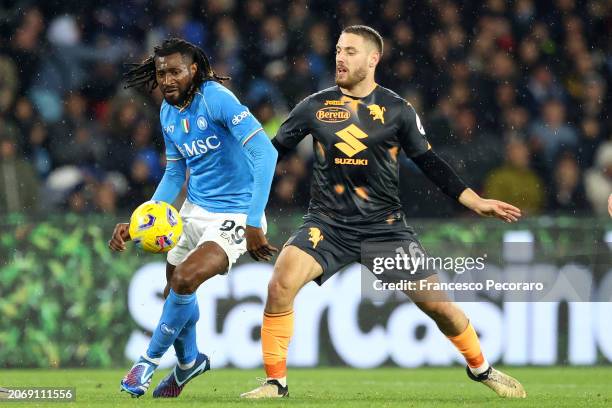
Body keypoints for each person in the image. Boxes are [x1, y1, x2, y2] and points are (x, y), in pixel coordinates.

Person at [241, 26, 526, 399]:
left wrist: (473, 200)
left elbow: (428, 161)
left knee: (441, 309)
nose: (340, 58)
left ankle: (480, 368)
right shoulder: (314, 106)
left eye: (351, 52)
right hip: (327, 225)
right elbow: (270, 152)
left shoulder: (397, 110)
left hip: (385, 231)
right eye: (339, 50)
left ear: (373, 59)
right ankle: (275, 383)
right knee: (280, 284)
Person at [108, 38, 278, 398]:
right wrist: (142, 219)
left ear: (193, 70)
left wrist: (252, 220)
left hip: (234, 214)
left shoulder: (215, 98)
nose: (167, 80)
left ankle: (146, 363)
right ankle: (188, 364)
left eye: (174, 71)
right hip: (193, 211)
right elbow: (174, 173)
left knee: (184, 280)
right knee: (175, 289)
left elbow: (266, 152)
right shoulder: (167, 113)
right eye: (160, 73)